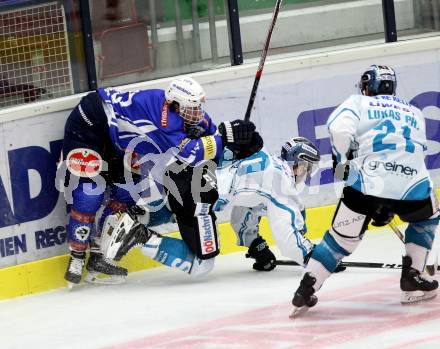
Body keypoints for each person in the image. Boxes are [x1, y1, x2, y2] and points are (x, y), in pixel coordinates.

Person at [57, 75, 261, 287]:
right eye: (192, 109)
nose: (198, 113)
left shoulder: (182, 112)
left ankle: (99, 252)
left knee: (127, 193)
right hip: (91, 124)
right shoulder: (165, 120)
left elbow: (211, 134)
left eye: (199, 107)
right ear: (174, 106)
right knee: (89, 194)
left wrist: (237, 138)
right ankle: (77, 256)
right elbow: (189, 153)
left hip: (121, 140)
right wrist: (224, 139)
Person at [290, 64, 439, 318]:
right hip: (411, 185)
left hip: (365, 183)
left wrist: (342, 163)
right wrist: (391, 204)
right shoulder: (415, 111)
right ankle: (413, 275)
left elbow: (338, 129)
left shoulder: (358, 102)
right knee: (428, 217)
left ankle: (307, 287)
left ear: (368, 86)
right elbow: (411, 153)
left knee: (340, 239)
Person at [100, 137, 322, 277]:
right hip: (200, 196)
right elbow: (287, 234)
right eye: (307, 168)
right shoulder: (281, 181)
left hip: (181, 174)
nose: (307, 173)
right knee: (202, 264)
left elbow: (244, 211)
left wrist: (254, 244)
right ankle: (141, 235)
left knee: (180, 210)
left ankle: (137, 218)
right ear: (299, 165)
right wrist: (315, 258)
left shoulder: (263, 161)